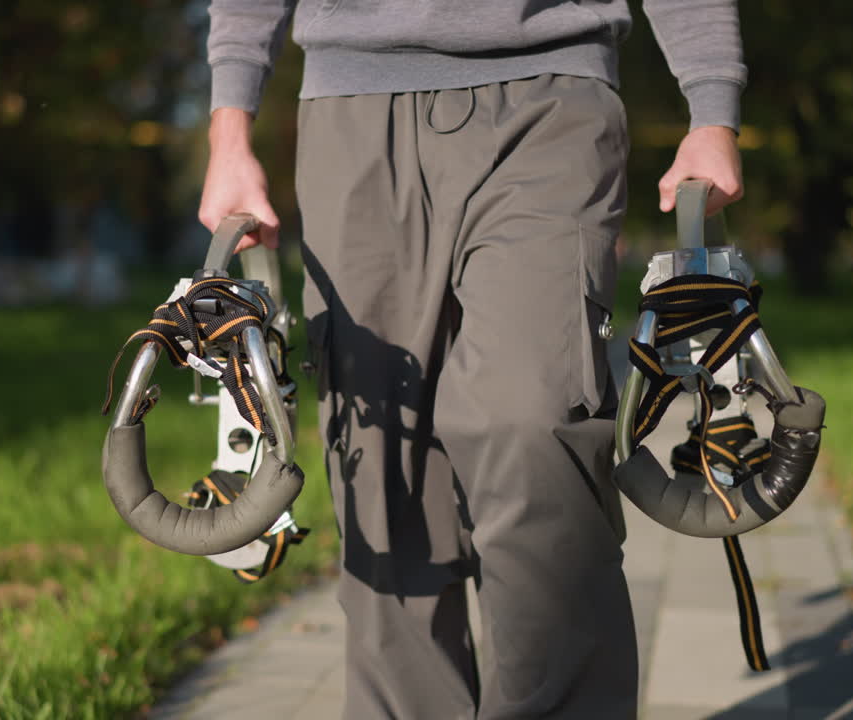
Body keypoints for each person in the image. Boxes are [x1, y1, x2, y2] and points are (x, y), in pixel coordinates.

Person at [199, 2, 746, 718]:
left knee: (531, 425)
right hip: (352, 112)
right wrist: (228, 131)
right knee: (381, 466)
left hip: (552, 93)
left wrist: (712, 108)